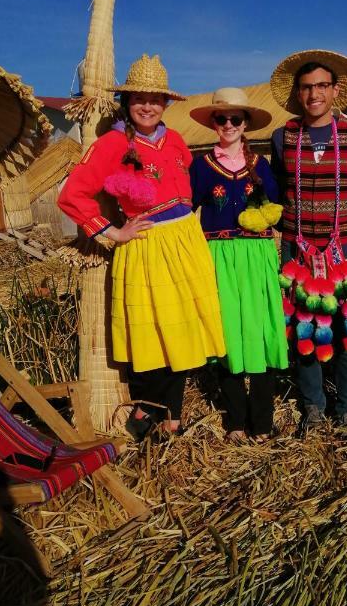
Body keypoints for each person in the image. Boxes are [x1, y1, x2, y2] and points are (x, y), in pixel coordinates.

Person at [58, 54, 226, 439]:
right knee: (152, 333)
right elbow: (72, 195)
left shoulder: (177, 141)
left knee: (182, 332)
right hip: (146, 245)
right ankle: (146, 411)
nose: (147, 106)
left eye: (155, 98)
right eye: (139, 98)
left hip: (186, 242)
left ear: (166, 103)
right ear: (127, 103)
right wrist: (111, 232)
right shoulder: (112, 144)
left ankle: (173, 416)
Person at [269, 50, 347, 429]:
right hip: (296, 247)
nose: (314, 94)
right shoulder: (283, 137)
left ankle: (346, 409)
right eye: (306, 88)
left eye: (321, 86)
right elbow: (278, 187)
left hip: (343, 248)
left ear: (335, 91)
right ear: (298, 94)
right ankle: (313, 406)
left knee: (346, 325)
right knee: (304, 326)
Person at [190, 88, 288, 442]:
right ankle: (235, 421)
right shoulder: (201, 166)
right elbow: (184, 211)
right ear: (213, 123)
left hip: (258, 256)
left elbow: (277, 211)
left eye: (236, 119)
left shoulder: (260, 165)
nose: (229, 124)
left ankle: (261, 421)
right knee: (227, 334)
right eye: (222, 118)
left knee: (261, 335)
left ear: (246, 123)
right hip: (218, 257)